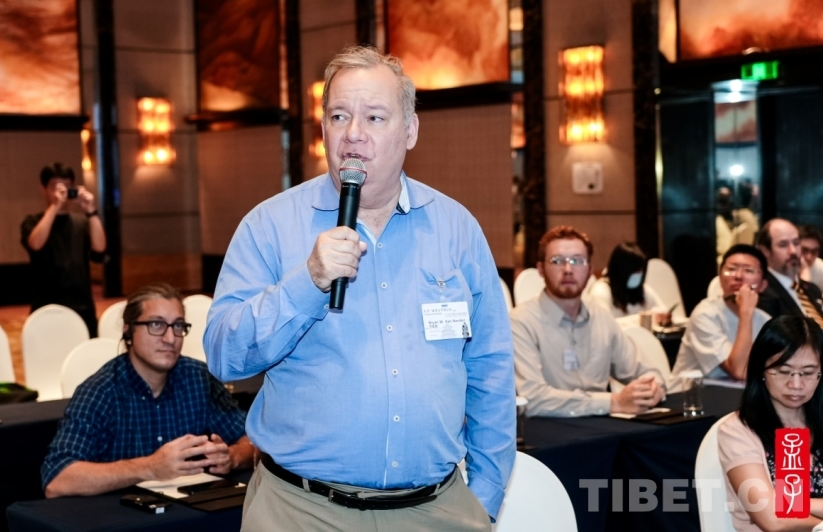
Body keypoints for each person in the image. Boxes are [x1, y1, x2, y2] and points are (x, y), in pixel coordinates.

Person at [203, 46, 515, 531]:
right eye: (338, 116)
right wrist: (306, 282)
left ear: (409, 131)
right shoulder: (269, 226)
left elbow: (490, 370)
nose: (353, 133)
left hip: (436, 510)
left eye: (374, 117)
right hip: (302, 511)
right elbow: (225, 356)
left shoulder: (457, 229)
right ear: (323, 129)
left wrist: (485, 498)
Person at [42, 283, 253, 498]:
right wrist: (150, 467)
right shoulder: (100, 391)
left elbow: (254, 440)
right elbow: (57, 479)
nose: (170, 338)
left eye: (178, 326)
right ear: (128, 331)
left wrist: (232, 457)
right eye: (156, 324)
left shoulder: (199, 378)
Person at [511, 226, 666, 417]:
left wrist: (652, 389)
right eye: (557, 261)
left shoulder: (601, 316)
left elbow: (647, 372)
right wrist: (613, 402)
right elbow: (532, 399)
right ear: (541, 269)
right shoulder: (520, 322)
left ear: (590, 270)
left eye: (577, 261)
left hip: (605, 427)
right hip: (549, 429)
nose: (568, 270)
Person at [717, 316, 823, 531]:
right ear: (761, 371)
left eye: (808, 373)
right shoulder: (737, 430)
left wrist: (795, 504)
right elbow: (774, 520)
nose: (796, 384)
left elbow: (788, 508)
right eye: (783, 371)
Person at [21, 163, 106, 338]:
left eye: (67, 187)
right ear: (43, 190)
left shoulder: (82, 222)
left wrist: (91, 210)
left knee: (86, 352)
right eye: (55, 187)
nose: (61, 193)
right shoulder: (32, 221)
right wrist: (54, 207)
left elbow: (100, 249)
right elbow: (35, 244)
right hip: (46, 307)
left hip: (82, 306)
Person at [672, 244, 771, 382]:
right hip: (690, 392)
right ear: (719, 278)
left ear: (763, 285)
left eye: (749, 270)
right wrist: (746, 313)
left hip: (734, 392)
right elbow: (739, 371)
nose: (738, 276)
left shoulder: (765, 320)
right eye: (731, 269)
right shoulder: (705, 315)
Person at [756, 218, 823, 326]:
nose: (793, 251)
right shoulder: (762, 292)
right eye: (783, 245)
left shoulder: (812, 289)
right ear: (765, 251)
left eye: (796, 243)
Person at [589, 241, 668, 318]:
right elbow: (604, 322)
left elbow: (663, 310)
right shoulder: (601, 291)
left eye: (640, 270)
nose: (638, 274)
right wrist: (642, 318)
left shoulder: (642, 289)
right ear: (621, 270)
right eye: (634, 270)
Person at [799, 224, 823, 290]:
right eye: (804, 250)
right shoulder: (783, 267)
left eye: (814, 252)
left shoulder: (820, 267)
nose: (809, 257)